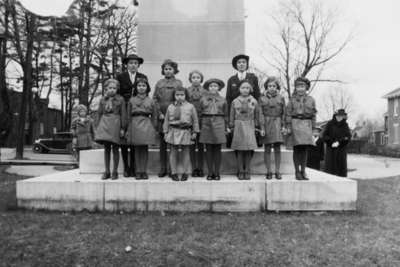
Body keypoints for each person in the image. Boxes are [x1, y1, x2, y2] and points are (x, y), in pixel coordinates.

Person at [116, 54, 148, 178]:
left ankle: (134, 167)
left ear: (138, 65)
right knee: (124, 141)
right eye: (130, 63)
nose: (133, 65)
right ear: (126, 65)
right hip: (124, 108)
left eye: (135, 63)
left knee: (135, 140)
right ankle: (126, 167)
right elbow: (117, 94)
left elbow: (146, 92)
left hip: (136, 110)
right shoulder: (121, 77)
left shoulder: (142, 77)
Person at [153, 59, 183, 177]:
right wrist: (159, 112)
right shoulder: (159, 83)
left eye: (170, 69)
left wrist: (174, 113)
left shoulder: (178, 83)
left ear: (174, 70)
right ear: (163, 70)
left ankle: (172, 168)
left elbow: (180, 99)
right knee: (162, 144)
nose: (168, 71)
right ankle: (163, 168)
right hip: (161, 116)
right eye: (166, 69)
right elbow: (155, 99)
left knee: (173, 144)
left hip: (173, 116)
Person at [229, 80, 264, 180]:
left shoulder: (254, 101)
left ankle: (247, 170)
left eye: (247, 88)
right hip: (239, 125)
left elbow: (257, 114)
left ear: (250, 90)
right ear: (239, 89)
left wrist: (257, 126)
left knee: (248, 149)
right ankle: (240, 170)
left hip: (249, 124)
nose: (245, 90)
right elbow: (231, 114)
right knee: (239, 149)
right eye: (243, 88)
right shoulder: (235, 101)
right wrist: (231, 125)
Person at [163, 87, 199, 181]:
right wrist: (165, 132)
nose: (179, 97)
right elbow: (166, 120)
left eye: (182, 95)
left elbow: (195, 120)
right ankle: (174, 172)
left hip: (185, 131)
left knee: (186, 152)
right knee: (173, 152)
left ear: (185, 95)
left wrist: (195, 131)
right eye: (177, 95)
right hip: (173, 131)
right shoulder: (170, 107)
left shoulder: (190, 106)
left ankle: (185, 172)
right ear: (174, 96)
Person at [126, 78, 158, 180]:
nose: (141, 88)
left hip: (146, 124)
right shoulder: (132, 100)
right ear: (136, 88)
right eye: (139, 86)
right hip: (134, 124)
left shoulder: (151, 101)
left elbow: (154, 116)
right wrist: (127, 127)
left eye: (143, 86)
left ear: (147, 88)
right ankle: (138, 171)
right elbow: (128, 115)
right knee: (136, 149)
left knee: (144, 149)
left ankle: (144, 171)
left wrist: (154, 127)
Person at [95, 79, 127, 180]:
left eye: (114, 88)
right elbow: (99, 113)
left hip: (115, 124)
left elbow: (123, 114)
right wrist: (97, 127)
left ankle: (115, 171)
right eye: (110, 88)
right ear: (106, 89)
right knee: (107, 149)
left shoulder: (120, 100)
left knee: (115, 149)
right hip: (104, 124)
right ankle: (107, 171)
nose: (112, 90)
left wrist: (123, 128)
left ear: (117, 89)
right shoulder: (102, 100)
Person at [286, 77, 317, 180]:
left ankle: (303, 171)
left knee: (304, 150)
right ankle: (297, 171)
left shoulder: (311, 100)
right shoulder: (292, 100)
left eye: (302, 86)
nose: (300, 89)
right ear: (295, 88)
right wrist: (289, 126)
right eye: (298, 86)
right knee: (297, 149)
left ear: (306, 87)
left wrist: (313, 129)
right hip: (295, 124)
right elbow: (288, 114)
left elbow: (313, 115)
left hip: (307, 125)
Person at [199, 78, 229, 181]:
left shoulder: (223, 100)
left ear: (219, 88)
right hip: (206, 122)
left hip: (219, 122)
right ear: (207, 88)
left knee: (217, 149)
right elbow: (199, 112)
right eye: (211, 86)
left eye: (215, 86)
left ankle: (217, 172)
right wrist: (199, 126)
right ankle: (210, 172)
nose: (213, 88)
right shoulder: (203, 99)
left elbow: (226, 114)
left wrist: (226, 126)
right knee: (208, 149)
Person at [259, 77, 286, 180]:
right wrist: (261, 127)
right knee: (267, 148)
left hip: (278, 123)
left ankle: (277, 171)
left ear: (277, 87)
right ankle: (268, 171)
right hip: (266, 123)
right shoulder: (262, 98)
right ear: (266, 87)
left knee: (277, 148)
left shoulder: (281, 98)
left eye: (274, 86)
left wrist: (283, 126)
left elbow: (284, 113)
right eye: (269, 86)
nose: (272, 88)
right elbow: (260, 113)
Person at [187, 70, 207, 177]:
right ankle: (193, 168)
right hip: (190, 120)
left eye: (198, 77)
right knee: (191, 145)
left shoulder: (205, 91)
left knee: (200, 145)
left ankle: (201, 168)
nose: (196, 79)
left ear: (201, 79)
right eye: (193, 77)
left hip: (202, 119)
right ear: (190, 79)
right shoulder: (187, 91)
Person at [323, 109, 351, 177]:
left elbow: (348, 136)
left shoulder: (345, 125)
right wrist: (331, 142)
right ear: (335, 116)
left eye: (341, 116)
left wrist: (339, 142)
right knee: (330, 167)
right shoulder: (330, 124)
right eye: (338, 116)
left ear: (343, 116)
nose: (339, 117)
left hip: (341, 150)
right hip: (331, 149)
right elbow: (324, 135)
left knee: (341, 167)